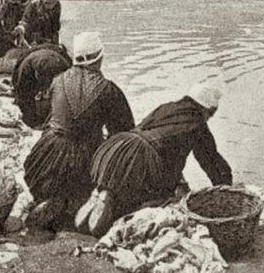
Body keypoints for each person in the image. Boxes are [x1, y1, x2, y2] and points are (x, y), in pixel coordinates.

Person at [77, 82, 233, 236]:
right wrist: (226, 188)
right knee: (163, 199)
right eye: (212, 113)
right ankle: (109, 206)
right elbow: (212, 161)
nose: (209, 118)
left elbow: (166, 149)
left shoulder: (167, 107)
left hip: (117, 147)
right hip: (140, 158)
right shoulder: (197, 123)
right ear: (205, 108)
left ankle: (103, 192)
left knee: (125, 187)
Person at [24, 32, 135, 231]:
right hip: (83, 155)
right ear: (99, 59)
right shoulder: (109, 90)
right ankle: (70, 205)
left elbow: (49, 115)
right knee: (92, 186)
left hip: (47, 154)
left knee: (54, 178)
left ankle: (52, 198)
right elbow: (123, 132)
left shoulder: (58, 80)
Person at [11, 43, 72, 128]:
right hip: (35, 56)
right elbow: (22, 96)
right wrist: (31, 122)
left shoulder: (65, 68)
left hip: (55, 55)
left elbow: (69, 96)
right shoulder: (25, 69)